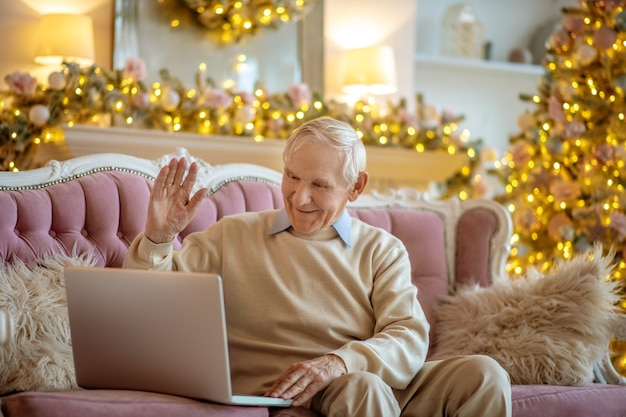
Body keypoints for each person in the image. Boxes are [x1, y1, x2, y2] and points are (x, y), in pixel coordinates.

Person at [124, 116, 512, 416]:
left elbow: (408, 336)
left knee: (484, 374)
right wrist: (159, 237)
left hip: (368, 377)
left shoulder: (381, 249)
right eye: (292, 177)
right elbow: (146, 307)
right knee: (364, 388)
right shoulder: (232, 235)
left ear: (355, 188)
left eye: (320, 185)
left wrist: (338, 362)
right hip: (308, 391)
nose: (300, 196)